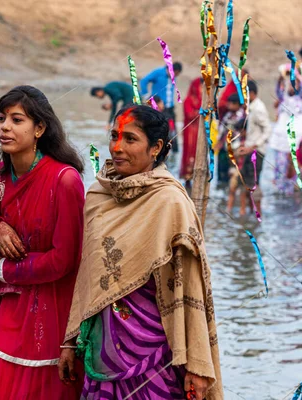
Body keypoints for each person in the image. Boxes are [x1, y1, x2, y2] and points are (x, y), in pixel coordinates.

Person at [59, 105, 223, 400]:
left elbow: (190, 288)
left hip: (155, 353)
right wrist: (70, 342)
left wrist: (197, 366)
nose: (117, 148)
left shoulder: (170, 202)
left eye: (130, 139)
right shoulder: (99, 195)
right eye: (114, 136)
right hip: (102, 349)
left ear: (156, 148)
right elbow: (88, 276)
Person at [0, 85, 86, 400]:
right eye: (2, 118)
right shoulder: (2, 175)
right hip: (13, 305)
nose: (5, 127)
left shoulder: (65, 180)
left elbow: (65, 260)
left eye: (17, 119)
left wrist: (3, 268)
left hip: (53, 312)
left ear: (40, 128)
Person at [140, 62, 183, 152]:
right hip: (158, 108)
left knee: (172, 131)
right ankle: (158, 150)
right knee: (159, 130)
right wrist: (146, 95)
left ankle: (173, 153)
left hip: (170, 108)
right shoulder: (158, 72)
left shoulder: (173, 77)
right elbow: (144, 81)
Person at [269, 82, 302, 195]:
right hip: (280, 141)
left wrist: (298, 75)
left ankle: (291, 192)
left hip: (295, 141)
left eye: (295, 86)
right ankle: (281, 192)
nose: (292, 88)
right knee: (279, 168)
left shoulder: (299, 99)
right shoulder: (284, 99)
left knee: (293, 169)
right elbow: (279, 89)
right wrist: (282, 76)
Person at [216, 94, 245, 183]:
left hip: (235, 147)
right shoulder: (228, 115)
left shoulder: (242, 116)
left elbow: (240, 132)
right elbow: (221, 129)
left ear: (237, 104)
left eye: (231, 103)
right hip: (224, 147)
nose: (229, 105)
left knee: (233, 172)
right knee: (222, 171)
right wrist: (219, 142)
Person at [180, 78, 204, 185]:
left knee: (199, 151)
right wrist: (201, 112)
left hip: (199, 131)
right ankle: (187, 177)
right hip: (190, 132)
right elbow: (189, 115)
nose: (202, 90)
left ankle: (197, 176)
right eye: (201, 87)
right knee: (190, 151)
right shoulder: (188, 100)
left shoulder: (202, 101)